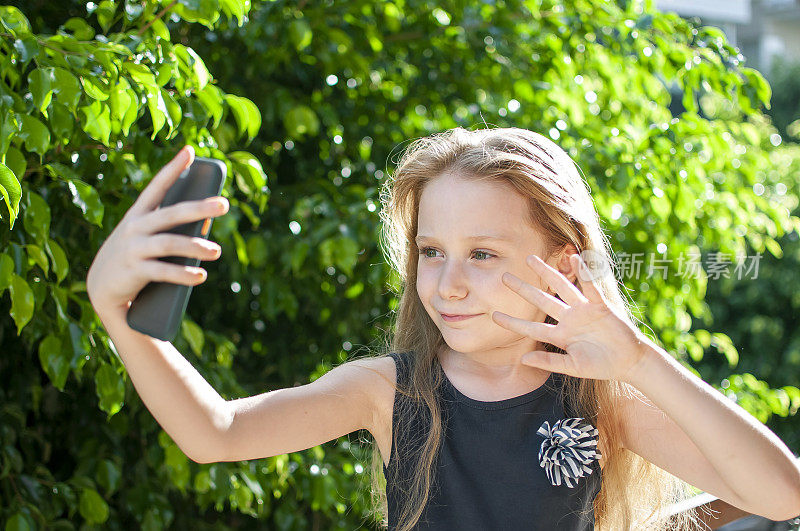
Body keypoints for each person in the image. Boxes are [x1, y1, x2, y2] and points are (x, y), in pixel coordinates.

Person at [86, 127, 800, 531]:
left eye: (482, 254)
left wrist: (639, 359)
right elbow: (217, 433)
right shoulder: (387, 391)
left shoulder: (601, 397)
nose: (447, 283)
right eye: (432, 252)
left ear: (563, 262)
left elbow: (781, 494)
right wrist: (119, 312)